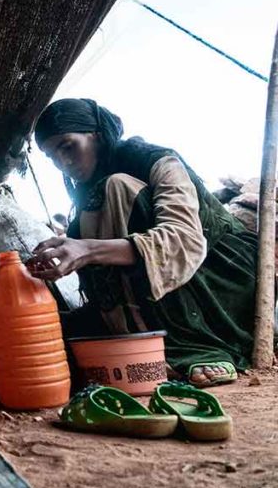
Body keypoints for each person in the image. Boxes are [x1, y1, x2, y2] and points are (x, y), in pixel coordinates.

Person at [28, 98, 256, 388]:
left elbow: (183, 240)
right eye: (51, 156)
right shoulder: (86, 192)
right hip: (154, 297)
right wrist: (67, 250)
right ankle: (139, 337)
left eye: (68, 146)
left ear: (96, 135)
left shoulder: (158, 162)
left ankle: (197, 348)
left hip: (220, 275)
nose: (63, 162)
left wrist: (86, 249)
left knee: (116, 187)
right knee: (60, 335)